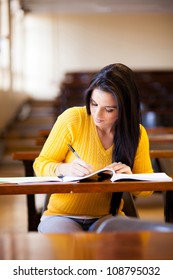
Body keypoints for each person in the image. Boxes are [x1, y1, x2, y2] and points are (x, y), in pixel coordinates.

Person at [33, 63, 153, 233]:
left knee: (125, 251)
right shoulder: (73, 119)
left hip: (108, 217)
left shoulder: (137, 133)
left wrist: (131, 179)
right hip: (61, 216)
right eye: (94, 104)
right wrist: (63, 168)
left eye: (109, 109)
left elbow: (147, 190)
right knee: (72, 252)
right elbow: (40, 165)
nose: (97, 114)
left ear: (125, 109)